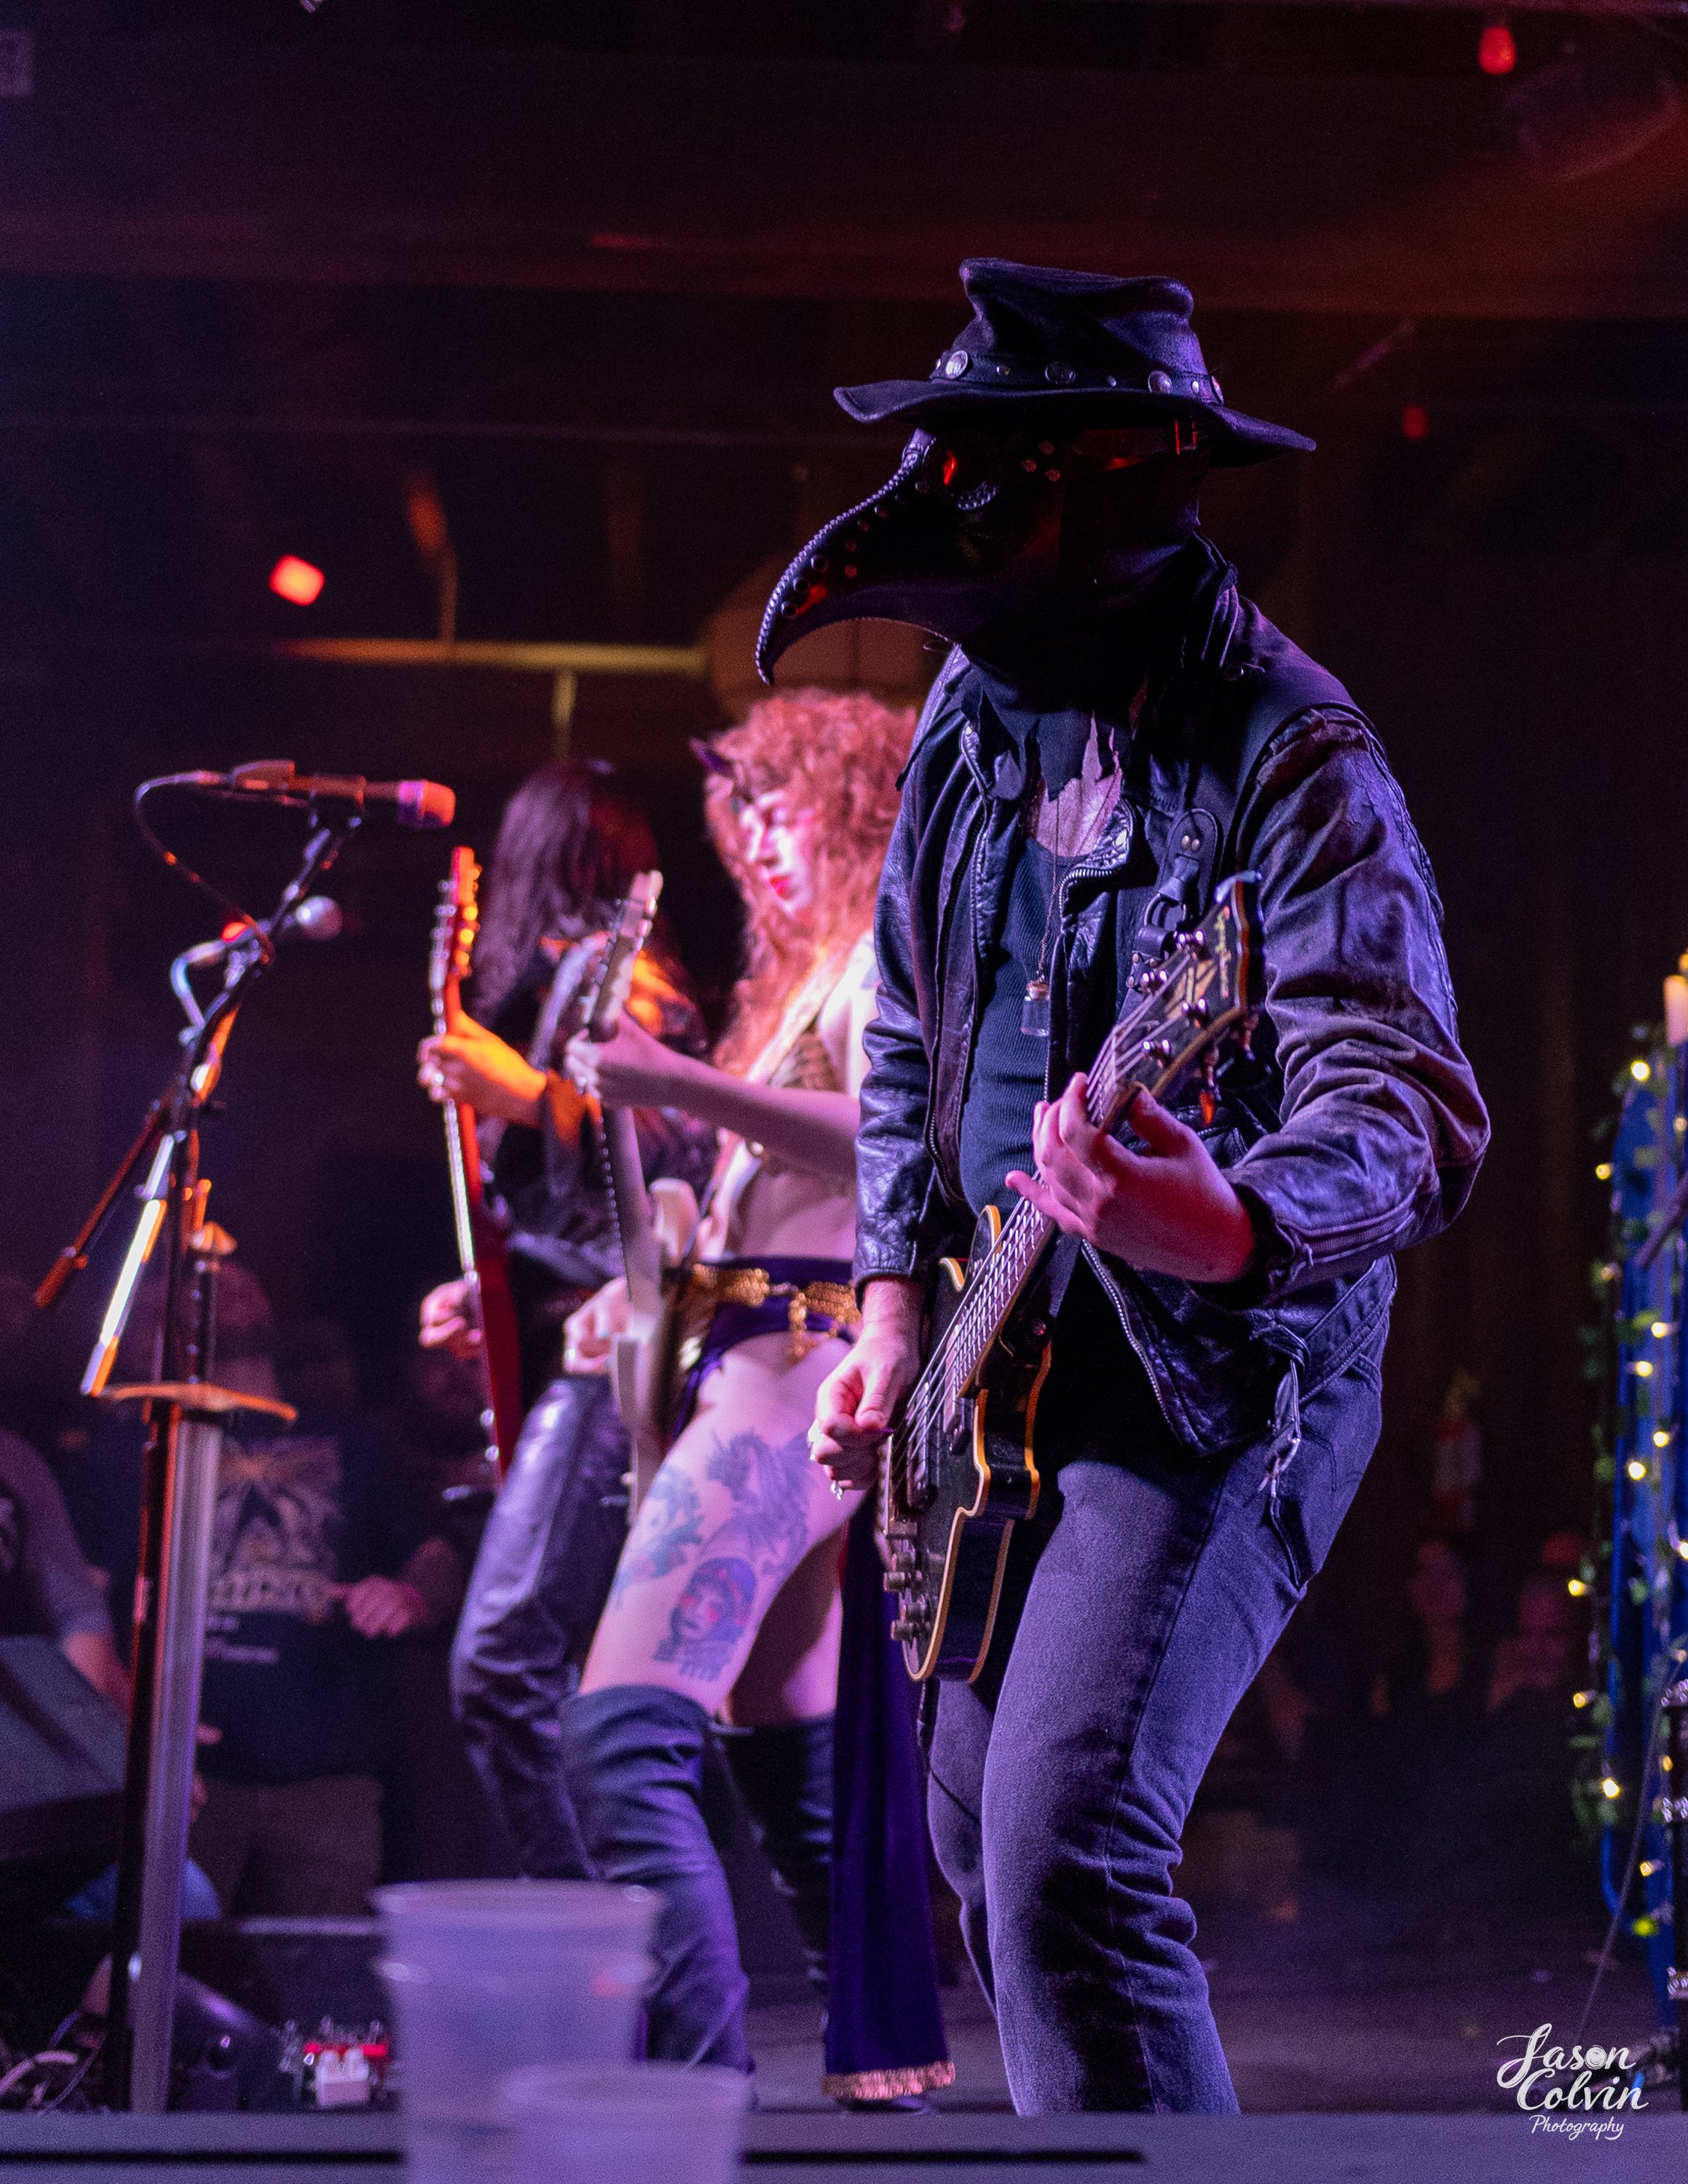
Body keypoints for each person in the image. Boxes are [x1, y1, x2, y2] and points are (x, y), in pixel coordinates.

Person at [801, 261, 1491, 2112]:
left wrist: (1231, 1221)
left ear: (1096, 496)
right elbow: (895, 1036)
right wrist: (886, 1313)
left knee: (1063, 1862)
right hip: (990, 1366)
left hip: (1211, 1386)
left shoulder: (1293, 746)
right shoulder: (965, 714)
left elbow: (1406, 1091)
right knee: (970, 1845)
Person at [556, 691, 947, 2091]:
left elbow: (897, 1148)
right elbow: (763, 1210)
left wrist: (676, 1082)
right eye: (749, 822)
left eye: (789, 812)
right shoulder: (803, 981)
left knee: (619, 1742)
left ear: (856, 809)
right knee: (789, 1770)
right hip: (762, 1365)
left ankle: (694, 2105)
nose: (764, 845)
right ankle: (872, 2094)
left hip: (794, 1378)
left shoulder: (878, 970)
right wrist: (640, 1292)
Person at [415, 760, 717, 1879]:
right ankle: (609, 1958)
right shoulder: (559, 991)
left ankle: (598, 1950)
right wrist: (492, 1296)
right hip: (574, 1347)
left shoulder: (614, 974)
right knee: (550, 1673)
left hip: (629, 1352)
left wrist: (529, 1096)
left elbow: (687, 1153)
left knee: (507, 1663)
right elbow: (568, 1216)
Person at [189, 1265, 465, 1917]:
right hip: (190, 1781)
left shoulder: (353, 1440)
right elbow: (79, 1608)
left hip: (327, 1781)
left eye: (238, 1276)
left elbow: (436, 1557)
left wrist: (412, 1596)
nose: (225, 1289)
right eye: (201, 1281)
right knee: (172, 1985)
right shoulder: (143, 1441)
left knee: (321, 1992)